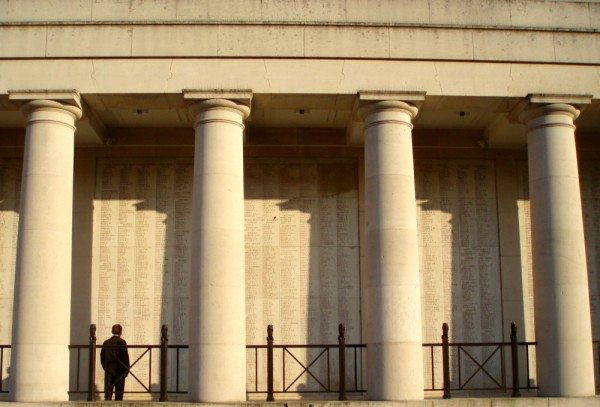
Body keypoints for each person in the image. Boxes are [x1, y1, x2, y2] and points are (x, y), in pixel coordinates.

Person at [100, 324, 130, 401]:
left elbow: (102, 357)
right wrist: (126, 369)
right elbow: (125, 357)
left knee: (108, 394)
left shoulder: (106, 342)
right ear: (120, 332)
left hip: (109, 370)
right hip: (119, 370)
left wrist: (105, 367)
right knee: (119, 394)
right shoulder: (122, 342)